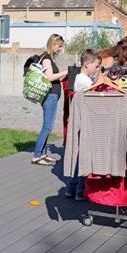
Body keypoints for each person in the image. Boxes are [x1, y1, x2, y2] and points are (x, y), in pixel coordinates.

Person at [64, 49, 100, 199]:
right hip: (85, 123)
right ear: (87, 64)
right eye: (96, 66)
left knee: (80, 157)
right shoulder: (85, 82)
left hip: (82, 122)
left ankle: (72, 188)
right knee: (83, 158)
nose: (97, 69)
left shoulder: (81, 79)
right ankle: (79, 190)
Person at [31, 34, 68, 166]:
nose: (60, 49)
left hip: (52, 96)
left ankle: (42, 154)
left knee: (48, 126)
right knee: (47, 127)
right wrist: (65, 72)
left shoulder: (49, 58)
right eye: (59, 46)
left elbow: (54, 77)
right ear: (53, 44)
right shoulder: (46, 59)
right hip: (49, 96)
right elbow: (50, 77)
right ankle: (37, 156)